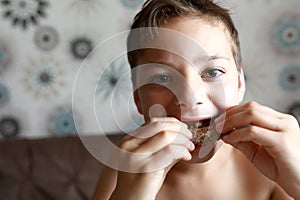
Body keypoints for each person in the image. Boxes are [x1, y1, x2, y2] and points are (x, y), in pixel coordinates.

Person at [92, 0, 300, 199]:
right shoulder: (125, 170)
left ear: (239, 84)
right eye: (162, 78)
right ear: (138, 99)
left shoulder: (272, 164)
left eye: (213, 72)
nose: (190, 97)